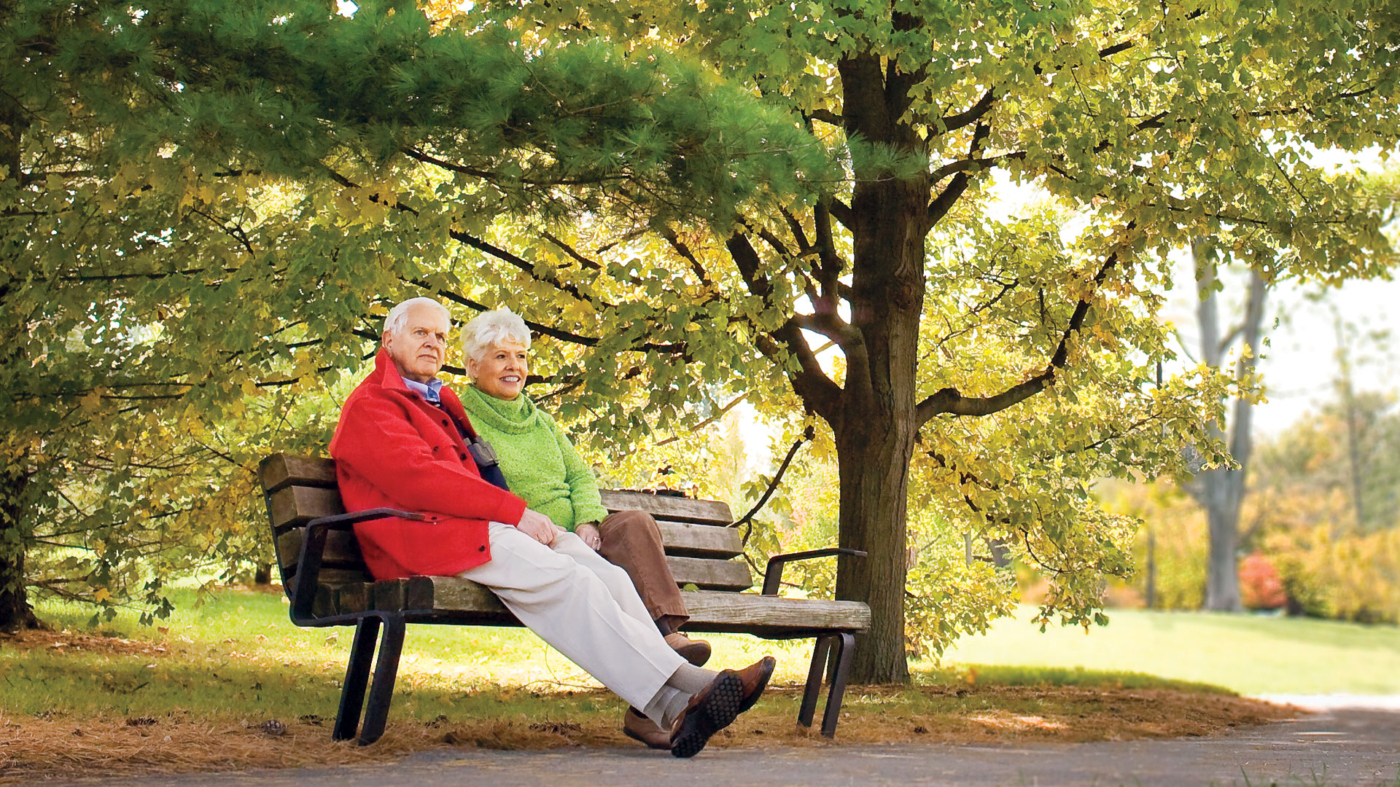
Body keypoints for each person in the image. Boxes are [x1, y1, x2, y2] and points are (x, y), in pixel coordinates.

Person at [328, 297, 773, 757]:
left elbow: (477, 472)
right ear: (389, 340)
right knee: (565, 578)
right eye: (421, 333)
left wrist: (537, 520)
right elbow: (423, 480)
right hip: (426, 537)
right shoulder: (372, 404)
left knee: (607, 575)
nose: (432, 343)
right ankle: (698, 686)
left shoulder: (435, 399)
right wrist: (515, 512)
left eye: (440, 335)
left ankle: (674, 708)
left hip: (467, 528)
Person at [455, 307, 713, 748]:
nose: (514, 366)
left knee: (634, 521)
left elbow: (579, 476)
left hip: (572, 529)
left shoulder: (539, 419)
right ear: (473, 364)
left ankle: (668, 636)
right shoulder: (462, 415)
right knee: (599, 580)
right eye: (500, 357)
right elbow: (476, 485)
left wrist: (588, 520)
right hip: (525, 534)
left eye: (520, 357)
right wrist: (532, 520)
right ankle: (668, 675)